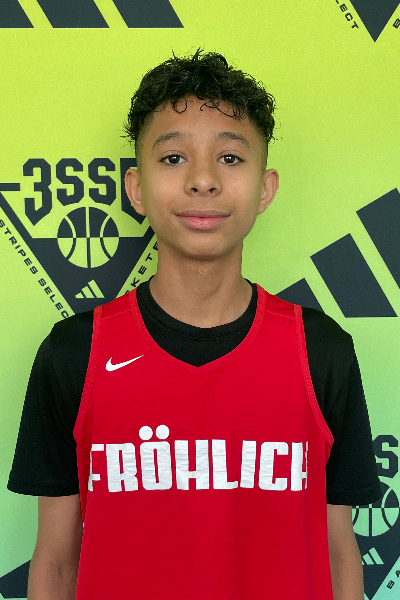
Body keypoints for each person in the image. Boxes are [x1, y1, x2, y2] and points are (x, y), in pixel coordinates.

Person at [8, 49, 381, 600]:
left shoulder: (320, 351)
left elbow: (338, 553)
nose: (203, 180)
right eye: (173, 157)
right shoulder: (76, 352)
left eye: (230, 158)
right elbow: (57, 564)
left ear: (265, 187)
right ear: (136, 188)